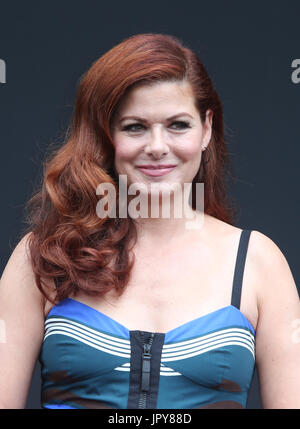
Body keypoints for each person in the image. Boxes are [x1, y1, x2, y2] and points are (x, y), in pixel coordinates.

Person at [0, 33, 299, 410]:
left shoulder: (257, 262)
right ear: (104, 135)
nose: (157, 146)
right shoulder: (42, 257)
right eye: (134, 127)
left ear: (206, 128)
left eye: (178, 124)